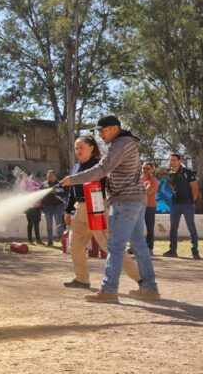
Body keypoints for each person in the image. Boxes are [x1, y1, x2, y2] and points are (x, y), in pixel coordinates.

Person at [60, 115, 158, 303]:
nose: (100, 134)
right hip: (134, 199)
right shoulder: (126, 143)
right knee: (138, 245)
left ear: (114, 128)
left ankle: (109, 290)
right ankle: (149, 287)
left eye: (102, 130)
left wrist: (73, 179)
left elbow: (102, 170)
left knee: (115, 246)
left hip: (124, 201)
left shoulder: (120, 145)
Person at [61, 135, 139, 290]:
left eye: (81, 147)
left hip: (97, 207)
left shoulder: (100, 165)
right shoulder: (76, 167)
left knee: (109, 246)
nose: (78, 151)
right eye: (76, 148)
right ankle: (82, 279)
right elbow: (72, 191)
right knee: (75, 245)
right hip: (79, 208)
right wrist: (68, 210)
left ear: (91, 147)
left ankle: (141, 279)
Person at [162, 153, 200, 259]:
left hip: (188, 204)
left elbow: (195, 189)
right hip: (175, 205)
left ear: (179, 161)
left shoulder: (187, 172)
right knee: (173, 228)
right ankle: (172, 250)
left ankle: (195, 251)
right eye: (171, 160)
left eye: (174, 160)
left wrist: (192, 202)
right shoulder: (169, 174)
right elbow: (172, 187)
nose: (172, 162)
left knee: (191, 227)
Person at [40, 170, 66, 246]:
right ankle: (50, 241)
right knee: (49, 224)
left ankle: (63, 240)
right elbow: (40, 193)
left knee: (59, 224)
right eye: (48, 175)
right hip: (47, 207)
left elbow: (64, 192)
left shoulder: (60, 183)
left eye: (51, 175)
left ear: (55, 176)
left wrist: (56, 191)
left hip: (58, 206)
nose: (49, 176)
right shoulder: (43, 184)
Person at [141, 162, 159, 253]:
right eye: (144, 168)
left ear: (151, 169)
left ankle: (149, 248)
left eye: (148, 169)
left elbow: (147, 192)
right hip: (138, 207)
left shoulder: (153, 180)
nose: (145, 170)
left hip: (149, 207)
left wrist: (136, 191)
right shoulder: (138, 179)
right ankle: (135, 247)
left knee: (149, 228)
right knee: (137, 228)